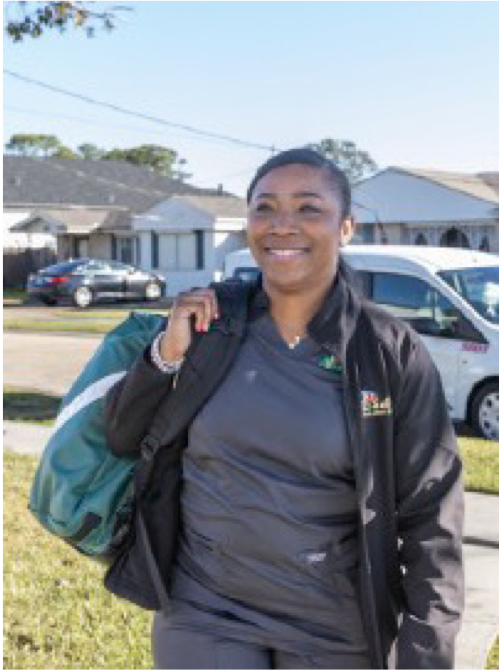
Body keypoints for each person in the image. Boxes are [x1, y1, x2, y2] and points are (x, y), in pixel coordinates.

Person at [106, 148, 464, 670]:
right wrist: (166, 355)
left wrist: (426, 651)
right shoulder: (210, 325)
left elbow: (432, 515)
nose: (282, 226)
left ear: (346, 227)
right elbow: (122, 436)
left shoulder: (387, 351)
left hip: (337, 626)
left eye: (308, 209)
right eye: (265, 208)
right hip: (205, 610)